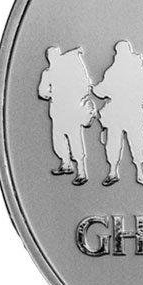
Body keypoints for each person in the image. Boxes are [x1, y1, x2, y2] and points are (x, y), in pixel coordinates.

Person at [93, 41, 143, 187]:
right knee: (122, 143)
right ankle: (117, 172)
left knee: (131, 143)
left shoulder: (117, 71)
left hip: (126, 113)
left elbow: (103, 90)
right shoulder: (135, 71)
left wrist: (95, 89)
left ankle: (134, 173)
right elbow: (103, 90)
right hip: (121, 113)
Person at [37, 46, 96, 185]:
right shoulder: (51, 73)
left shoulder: (62, 71)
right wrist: (54, 94)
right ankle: (67, 164)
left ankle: (81, 171)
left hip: (69, 112)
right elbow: (42, 92)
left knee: (73, 139)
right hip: (59, 112)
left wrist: (55, 94)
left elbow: (44, 92)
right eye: (51, 55)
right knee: (61, 139)